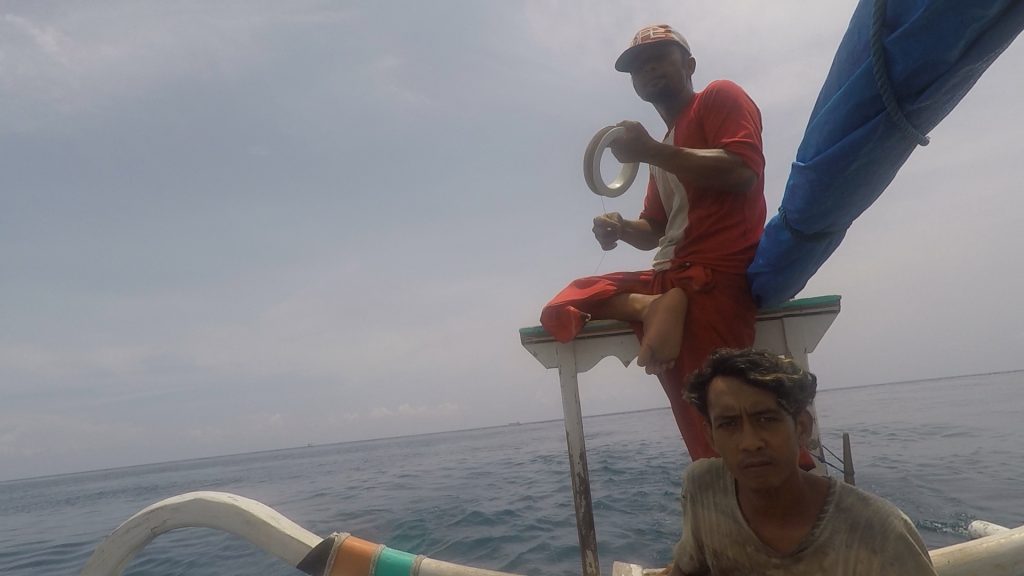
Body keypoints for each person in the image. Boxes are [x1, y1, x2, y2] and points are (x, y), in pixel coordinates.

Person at [540, 24, 767, 460]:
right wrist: (621, 227)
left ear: (690, 65)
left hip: (712, 279)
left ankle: (763, 496)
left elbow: (742, 171)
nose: (648, 69)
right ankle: (650, 307)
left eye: (660, 58)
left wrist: (651, 152)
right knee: (569, 299)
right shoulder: (660, 146)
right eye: (638, 67)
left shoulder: (719, 96)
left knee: (716, 423)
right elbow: (655, 228)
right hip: (666, 276)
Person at [667, 348, 937, 575]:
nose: (750, 442)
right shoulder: (704, 487)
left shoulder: (881, 533)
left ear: (802, 428)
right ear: (711, 437)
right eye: (728, 424)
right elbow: (688, 569)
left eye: (766, 419)